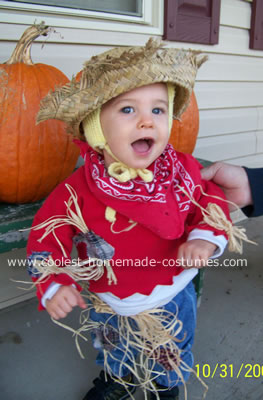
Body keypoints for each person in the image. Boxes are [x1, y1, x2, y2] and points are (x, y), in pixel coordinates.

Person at [27, 39, 238, 400]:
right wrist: (55, 281)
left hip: (172, 286)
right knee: (113, 343)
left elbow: (209, 199)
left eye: (158, 110)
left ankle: (165, 384)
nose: (146, 120)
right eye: (127, 110)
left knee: (170, 346)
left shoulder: (180, 170)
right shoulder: (77, 190)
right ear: (96, 130)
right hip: (110, 295)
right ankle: (117, 378)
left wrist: (204, 236)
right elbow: (46, 235)